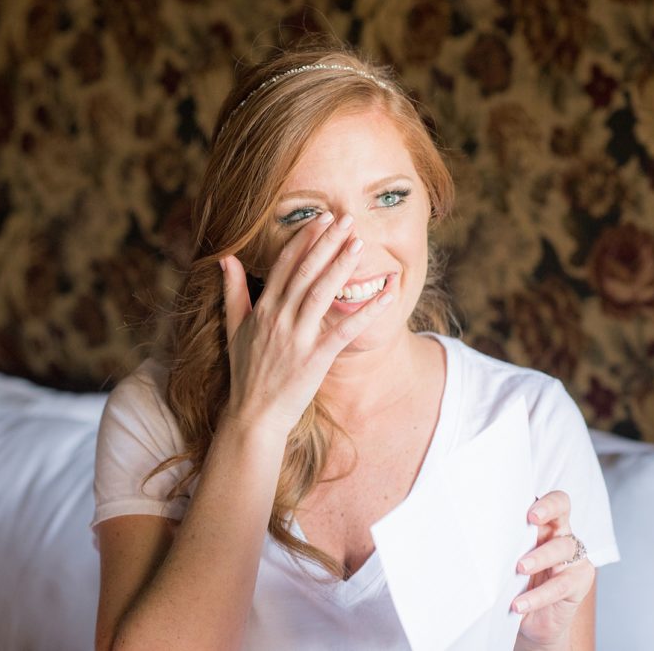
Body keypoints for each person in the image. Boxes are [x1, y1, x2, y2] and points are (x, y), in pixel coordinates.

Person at [90, 39, 619, 650]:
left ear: (429, 205)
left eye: (389, 197)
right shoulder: (156, 415)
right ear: (248, 244)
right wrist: (255, 421)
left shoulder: (530, 419)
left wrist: (544, 640)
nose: (356, 249)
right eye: (302, 214)